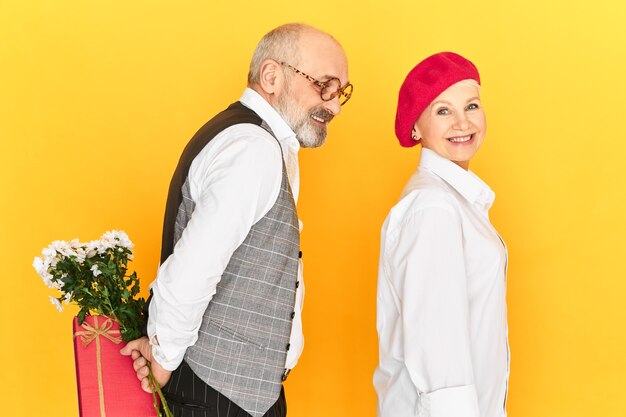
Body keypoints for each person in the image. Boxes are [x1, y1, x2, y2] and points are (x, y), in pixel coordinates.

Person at [120, 23, 352, 417]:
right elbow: (191, 270)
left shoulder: (252, 140)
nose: (333, 106)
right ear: (272, 76)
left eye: (341, 93)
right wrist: (163, 356)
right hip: (216, 396)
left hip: (233, 393)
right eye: (323, 86)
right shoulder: (253, 149)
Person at [373, 52, 509, 417]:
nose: (463, 122)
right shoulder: (434, 208)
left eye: (472, 105)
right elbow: (437, 348)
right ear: (416, 128)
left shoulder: (455, 200)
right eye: (443, 111)